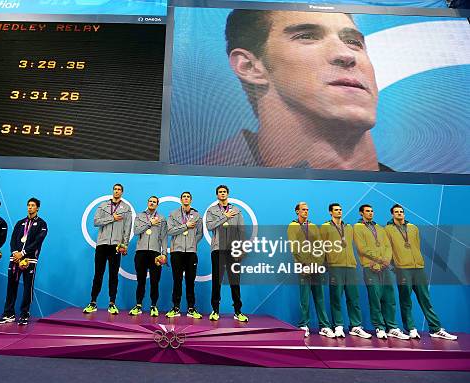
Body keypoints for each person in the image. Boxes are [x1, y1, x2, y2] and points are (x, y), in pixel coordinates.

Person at [201, 10, 392, 171]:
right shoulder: (202, 181)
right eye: (307, 36)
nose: (346, 54)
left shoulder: (413, 202)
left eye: (354, 42)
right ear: (249, 66)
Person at [385, 204, 457, 340]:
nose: (400, 214)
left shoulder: (413, 228)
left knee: (425, 299)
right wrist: (395, 266)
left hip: (418, 268)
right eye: (396, 212)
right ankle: (411, 328)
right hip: (402, 269)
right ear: (392, 215)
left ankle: (435, 329)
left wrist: (419, 262)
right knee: (405, 300)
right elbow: (388, 248)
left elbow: (416, 246)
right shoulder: (388, 229)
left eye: (401, 212)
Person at [353, 204, 408, 340]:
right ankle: (379, 327)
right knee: (375, 297)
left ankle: (392, 327)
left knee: (389, 297)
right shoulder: (357, 227)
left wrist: (385, 260)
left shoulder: (380, 228)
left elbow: (387, 246)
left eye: (372, 211)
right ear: (361, 213)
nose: (370, 213)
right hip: (370, 267)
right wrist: (378, 259)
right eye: (367, 211)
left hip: (384, 267)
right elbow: (362, 248)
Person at [320, 203, 371, 338]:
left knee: (353, 297)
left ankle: (356, 326)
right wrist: (325, 265)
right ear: (330, 212)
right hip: (335, 266)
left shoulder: (348, 227)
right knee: (336, 297)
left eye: (340, 209)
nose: (339, 212)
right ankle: (338, 326)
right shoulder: (325, 227)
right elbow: (321, 247)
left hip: (350, 266)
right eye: (336, 210)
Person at [0, 198, 48, 326]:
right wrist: (14, 252)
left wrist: (23, 253)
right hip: (15, 258)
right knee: (11, 286)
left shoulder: (42, 224)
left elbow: (38, 241)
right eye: (28, 205)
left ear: (38, 208)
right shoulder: (20, 223)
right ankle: (9, 313)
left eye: (33, 205)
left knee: (27, 287)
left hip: (29, 259)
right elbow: (13, 239)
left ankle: (24, 314)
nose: (30, 207)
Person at [83, 184, 132, 315]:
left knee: (113, 275)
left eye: (119, 190)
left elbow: (127, 228)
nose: (116, 191)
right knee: (98, 274)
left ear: (122, 192)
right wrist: (112, 218)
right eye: (115, 189)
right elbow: (96, 221)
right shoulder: (103, 205)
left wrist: (124, 245)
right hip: (102, 244)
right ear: (113, 191)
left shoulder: (126, 209)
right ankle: (93, 302)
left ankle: (112, 303)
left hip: (116, 246)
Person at [287, 202, 334, 337]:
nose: (306, 212)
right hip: (303, 268)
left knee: (320, 297)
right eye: (303, 210)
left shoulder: (312, 226)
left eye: (307, 210)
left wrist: (317, 265)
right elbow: (294, 248)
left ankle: (324, 326)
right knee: (305, 298)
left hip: (316, 268)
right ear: (297, 211)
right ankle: (303, 325)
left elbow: (320, 247)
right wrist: (305, 265)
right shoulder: (292, 226)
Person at [205, 185, 248, 322]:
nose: (222, 194)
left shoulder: (236, 210)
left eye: (224, 192)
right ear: (217, 195)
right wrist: (224, 217)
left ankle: (238, 311)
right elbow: (210, 226)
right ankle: (215, 310)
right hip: (218, 249)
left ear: (228, 194)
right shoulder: (211, 211)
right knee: (216, 281)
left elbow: (241, 230)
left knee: (235, 281)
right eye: (220, 192)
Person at [165, 191, 203, 319]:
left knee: (190, 281)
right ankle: (175, 307)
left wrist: (192, 243)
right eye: (184, 197)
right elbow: (169, 230)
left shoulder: (197, 215)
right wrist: (185, 226)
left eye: (188, 197)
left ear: (191, 200)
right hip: (177, 252)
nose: (186, 199)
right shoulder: (173, 214)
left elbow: (200, 233)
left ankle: (191, 308)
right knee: (177, 280)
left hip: (191, 253)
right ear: (181, 200)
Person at [128, 196, 167, 317]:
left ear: (157, 205)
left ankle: (153, 306)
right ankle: (138, 305)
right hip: (141, 252)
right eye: (150, 201)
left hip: (155, 253)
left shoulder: (162, 218)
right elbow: (136, 231)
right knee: (141, 280)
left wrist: (164, 253)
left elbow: (164, 237)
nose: (152, 203)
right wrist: (150, 223)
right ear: (147, 203)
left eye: (154, 202)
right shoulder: (139, 216)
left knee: (155, 281)